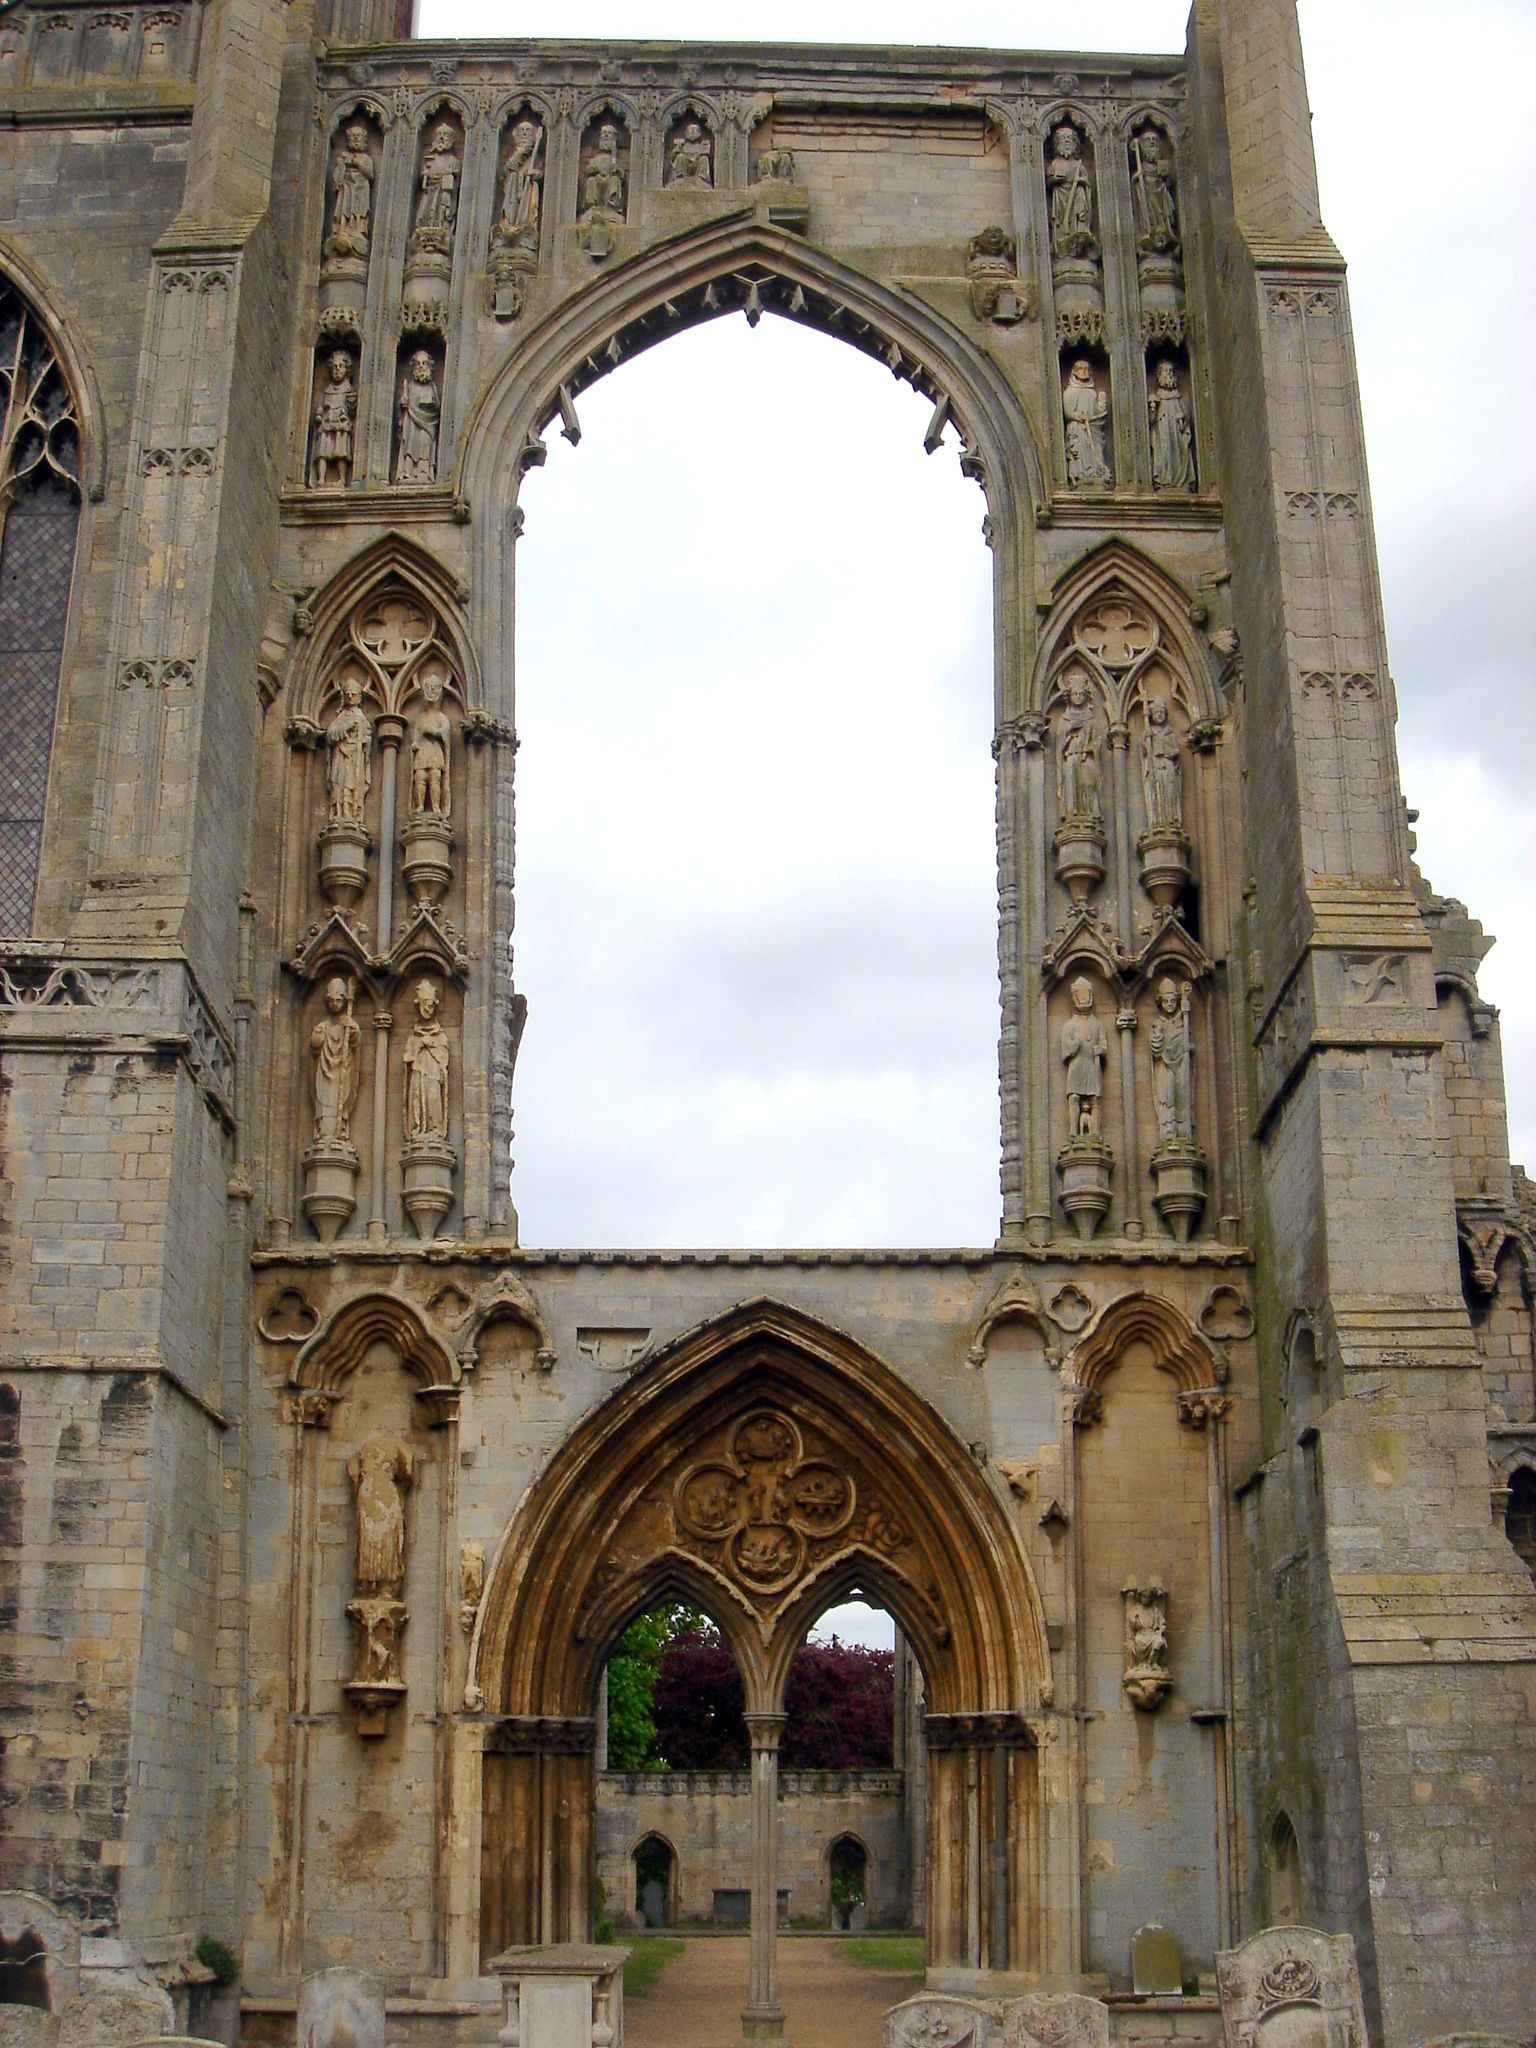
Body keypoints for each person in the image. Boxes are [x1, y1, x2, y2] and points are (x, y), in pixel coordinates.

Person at [309, 976, 361, 1144]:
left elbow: (355, 1041)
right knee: (324, 1100)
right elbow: (315, 1046)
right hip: (325, 1072)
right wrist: (318, 1037)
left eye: (339, 1000)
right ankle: (323, 1131)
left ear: (345, 1001)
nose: (335, 1003)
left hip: (342, 1071)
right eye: (332, 1000)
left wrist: (352, 1030)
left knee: (341, 1098)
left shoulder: (349, 1024)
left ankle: (341, 1129)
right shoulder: (323, 1026)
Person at [403, 978, 450, 1141]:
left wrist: (431, 1047)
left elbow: (443, 1057)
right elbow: (407, 1058)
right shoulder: (413, 1036)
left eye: (430, 1005)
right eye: (424, 1005)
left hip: (433, 1075)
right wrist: (419, 1046)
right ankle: (417, 1130)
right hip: (417, 1074)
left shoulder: (441, 1035)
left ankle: (434, 1130)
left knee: (433, 1098)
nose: (427, 1009)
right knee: (417, 1099)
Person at [1149, 977, 1194, 1145]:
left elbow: (1188, 1044)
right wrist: (1158, 1038)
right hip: (1165, 1066)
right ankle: (1169, 1132)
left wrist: (1187, 1045)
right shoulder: (1157, 1024)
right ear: (1160, 1002)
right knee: (1167, 1096)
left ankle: (1184, 1131)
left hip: (1181, 1065)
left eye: (1173, 1000)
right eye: (1166, 1001)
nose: (1170, 1004)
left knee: (1182, 1095)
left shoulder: (1182, 1023)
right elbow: (1155, 1048)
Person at [1061, 977, 1107, 1140]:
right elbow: (1065, 1051)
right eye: (1080, 995)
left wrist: (1100, 1050)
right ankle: (1073, 1129)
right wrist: (1075, 1045)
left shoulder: (1096, 1024)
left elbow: (1103, 1044)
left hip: (1091, 1065)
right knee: (1074, 1096)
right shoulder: (1070, 1025)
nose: (1084, 999)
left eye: (1086, 995)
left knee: (1094, 1098)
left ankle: (1095, 1131)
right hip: (1077, 1065)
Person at [324, 674, 371, 823]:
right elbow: (330, 734)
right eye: (347, 694)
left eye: (354, 694)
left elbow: (367, 737)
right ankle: (340, 811)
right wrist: (346, 727)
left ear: (359, 698)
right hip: (340, 757)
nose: (350, 697)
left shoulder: (361, 718)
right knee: (340, 783)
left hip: (355, 758)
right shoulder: (341, 717)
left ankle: (351, 813)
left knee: (351, 784)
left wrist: (363, 740)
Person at [1047, 124, 1096, 260]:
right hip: (1061, 196)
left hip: (1077, 192)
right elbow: (1050, 180)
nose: (1067, 142)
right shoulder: (1056, 164)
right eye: (1063, 139)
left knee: (1080, 203)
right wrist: (1056, 179)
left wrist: (1081, 181)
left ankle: (1081, 229)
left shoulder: (1077, 165)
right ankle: (1062, 238)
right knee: (1062, 218)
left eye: (1070, 139)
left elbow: (1086, 183)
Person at [1056, 674, 1102, 820]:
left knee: (1088, 785)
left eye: (1081, 694)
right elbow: (1059, 739)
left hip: (1085, 758)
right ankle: (1072, 815)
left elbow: (1097, 740)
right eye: (1075, 694)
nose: (1078, 697)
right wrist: (1070, 728)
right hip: (1071, 756)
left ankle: (1090, 814)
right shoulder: (1065, 719)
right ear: (1069, 696)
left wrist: (1090, 747)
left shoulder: (1090, 719)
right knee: (1071, 787)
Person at [409, 667, 452, 818]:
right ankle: (420, 806)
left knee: (434, 777)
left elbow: (445, 733)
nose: (432, 691)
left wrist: (433, 732)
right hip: (423, 752)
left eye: (435, 688)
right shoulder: (420, 717)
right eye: (429, 687)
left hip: (435, 751)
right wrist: (415, 743)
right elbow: (416, 735)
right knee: (420, 777)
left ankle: (435, 807)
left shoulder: (442, 717)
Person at [309, 350, 355, 489]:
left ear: (346, 369)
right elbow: (321, 405)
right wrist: (319, 413)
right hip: (327, 422)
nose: (337, 370)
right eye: (334, 367)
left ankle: (341, 479)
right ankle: (321, 479)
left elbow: (352, 408)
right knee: (322, 451)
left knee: (340, 452)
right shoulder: (328, 389)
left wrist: (351, 403)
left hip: (340, 423)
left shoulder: (348, 389)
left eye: (340, 366)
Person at [328, 122, 374, 257]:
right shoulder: (344, 156)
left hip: (359, 189)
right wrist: (340, 165)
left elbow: (370, 174)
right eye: (352, 137)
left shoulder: (365, 158)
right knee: (343, 208)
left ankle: (357, 229)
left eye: (358, 137)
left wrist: (358, 164)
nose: (355, 140)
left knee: (357, 211)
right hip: (346, 188)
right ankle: (341, 229)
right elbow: (337, 176)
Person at [394, 350, 440, 485]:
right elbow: (402, 409)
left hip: (428, 424)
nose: (421, 366)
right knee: (410, 446)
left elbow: (436, 406)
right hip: (411, 424)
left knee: (425, 445)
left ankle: (423, 472)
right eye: (418, 364)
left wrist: (431, 405)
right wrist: (403, 404)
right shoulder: (410, 386)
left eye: (424, 363)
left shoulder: (432, 387)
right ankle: (407, 472)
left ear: (430, 367)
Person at [1063, 360, 1111, 487]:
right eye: (1080, 368)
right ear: (1074, 372)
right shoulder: (1070, 392)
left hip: (1092, 427)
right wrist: (1077, 416)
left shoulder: (1091, 392)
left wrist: (1102, 402)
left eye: (1086, 369)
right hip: (1078, 427)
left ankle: (1096, 473)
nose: (1084, 371)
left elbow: (1097, 412)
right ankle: (1082, 475)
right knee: (1081, 453)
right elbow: (1067, 411)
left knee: (1095, 449)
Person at [1148, 360, 1195, 491]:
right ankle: (1165, 480)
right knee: (1164, 452)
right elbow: (1152, 421)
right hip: (1162, 431)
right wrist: (1153, 409)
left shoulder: (1177, 397)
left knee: (1180, 451)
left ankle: (1181, 480)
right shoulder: (1157, 396)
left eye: (1170, 371)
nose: (1168, 374)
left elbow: (1186, 414)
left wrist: (1183, 417)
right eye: (1165, 371)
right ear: (1159, 375)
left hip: (1176, 431)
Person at [1131, 128, 1179, 254]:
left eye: (1154, 140)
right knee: (1149, 214)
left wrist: (1164, 175)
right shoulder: (1142, 166)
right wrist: (1137, 178)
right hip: (1146, 194)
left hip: (1160, 193)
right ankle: (1148, 232)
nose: (1151, 143)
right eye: (1148, 141)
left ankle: (1165, 233)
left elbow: (1168, 181)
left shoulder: (1162, 164)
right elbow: (1135, 184)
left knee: (1163, 215)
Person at [497, 119, 543, 248]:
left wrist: (534, 174)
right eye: (521, 131)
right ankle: (510, 226)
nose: (524, 134)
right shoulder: (515, 155)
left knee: (526, 213)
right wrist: (521, 153)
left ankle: (524, 227)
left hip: (527, 192)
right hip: (512, 190)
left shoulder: (535, 157)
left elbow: (539, 171)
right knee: (511, 211)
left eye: (527, 132)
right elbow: (506, 170)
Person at [1139, 695, 1183, 828]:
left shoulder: (1170, 734)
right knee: (1157, 792)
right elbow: (1144, 750)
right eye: (1157, 712)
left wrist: (1168, 752)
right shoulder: (1148, 734)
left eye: (1162, 712)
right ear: (1151, 715)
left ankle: (1171, 820)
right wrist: (1146, 739)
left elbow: (1176, 751)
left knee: (1170, 794)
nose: (1159, 715)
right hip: (1155, 766)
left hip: (1167, 766)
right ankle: (1157, 821)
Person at [413, 122, 461, 235]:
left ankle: (441, 228)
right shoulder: (431, 160)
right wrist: (425, 174)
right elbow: (422, 177)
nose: (441, 138)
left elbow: (454, 175)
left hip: (442, 190)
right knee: (425, 212)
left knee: (441, 210)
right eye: (439, 135)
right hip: (429, 191)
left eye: (445, 135)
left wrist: (447, 176)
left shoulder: (452, 160)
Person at [581, 122, 626, 219]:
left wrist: (615, 166)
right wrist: (595, 171)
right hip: (597, 180)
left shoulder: (615, 160)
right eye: (604, 134)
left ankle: (612, 203)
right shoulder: (595, 159)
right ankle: (592, 204)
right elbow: (589, 170)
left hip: (609, 181)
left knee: (615, 180)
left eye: (608, 134)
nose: (605, 136)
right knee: (591, 181)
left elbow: (620, 173)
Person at [668, 119, 712, 187]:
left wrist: (704, 150)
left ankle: (702, 178)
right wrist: (677, 149)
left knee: (704, 159)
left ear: (699, 133)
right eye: (690, 131)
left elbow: (708, 156)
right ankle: (680, 176)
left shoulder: (702, 145)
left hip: (697, 167)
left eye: (694, 131)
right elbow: (671, 160)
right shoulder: (682, 145)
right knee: (680, 157)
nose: (692, 133)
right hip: (685, 167)